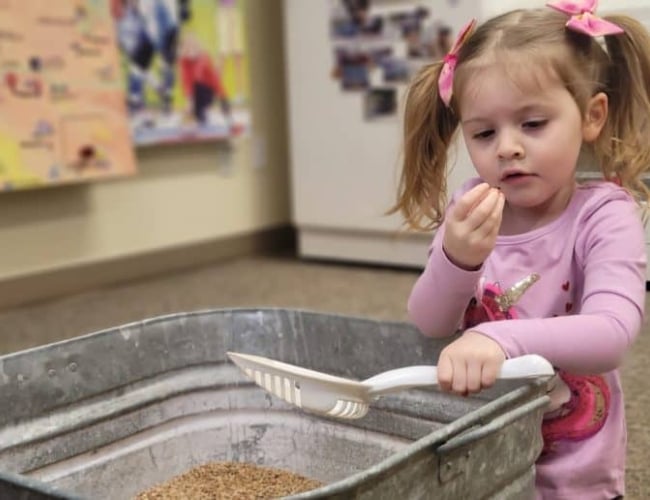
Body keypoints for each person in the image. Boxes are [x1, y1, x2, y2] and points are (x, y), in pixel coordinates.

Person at [390, 3, 650, 499]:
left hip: (574, 467)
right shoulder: (471, 207)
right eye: (485, 133)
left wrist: (496, 340)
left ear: (591, 116)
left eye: (533, 124)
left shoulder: (604, 215)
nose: (507, 147)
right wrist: (457, 258)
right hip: (484, 449)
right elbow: (430, 321)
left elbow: (613, 333)